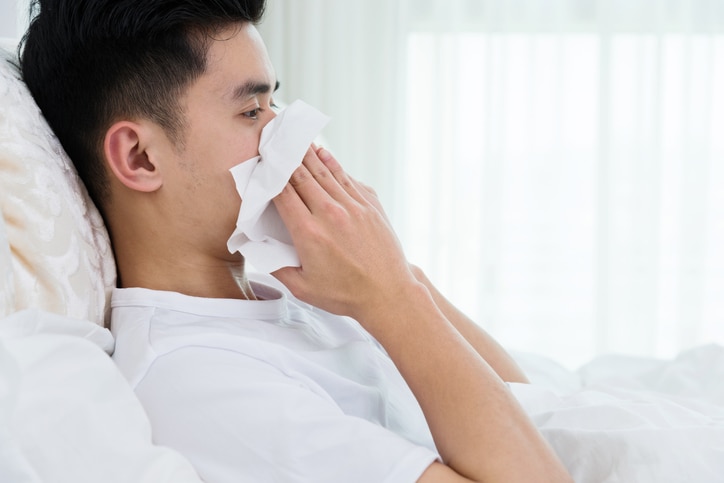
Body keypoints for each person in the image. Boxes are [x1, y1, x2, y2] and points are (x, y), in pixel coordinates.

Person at [20, 1, 572, 481]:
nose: (287, 135)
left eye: (274, 105)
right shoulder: (204, 388)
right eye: (252, 111)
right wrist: (392, 298)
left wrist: (395, 274)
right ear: (140, 157)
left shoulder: (295, 286)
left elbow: (532, 405)